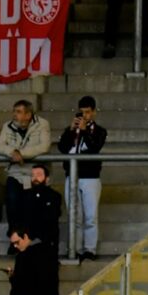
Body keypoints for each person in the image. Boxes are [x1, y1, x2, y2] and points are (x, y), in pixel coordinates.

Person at [56, 96, 106, 261]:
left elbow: (94, 147)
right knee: (74, 215)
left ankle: (89, 249)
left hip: (90, 176)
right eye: (81, 112)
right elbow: (62, 148)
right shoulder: (72, 130)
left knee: (91, 215)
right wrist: (71, 130)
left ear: (94, 112)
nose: (84, 115)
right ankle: (75, 248)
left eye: (87, 112)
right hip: (72, 175)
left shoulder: (100, 131)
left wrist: (84, 130)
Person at [0, 100, 51, 232]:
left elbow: (44, 146)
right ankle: (14, 235)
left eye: (18, 112)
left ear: (28, 114)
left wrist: (21, 154)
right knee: (12, 202)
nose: (14, 115)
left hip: (35, 173)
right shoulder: (7, 126)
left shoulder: (42, 124)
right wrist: (12, 152)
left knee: (32, 207)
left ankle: (30, 237)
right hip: (15, 172)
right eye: (14, 111)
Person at [5, 228, 59, 295]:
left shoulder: (34, 254)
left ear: (25, 237)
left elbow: (38, 282)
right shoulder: (26, 254)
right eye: (13, 244)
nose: (15, 246)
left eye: (17, 242)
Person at [17, 164, 64, 254]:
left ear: (47, 179)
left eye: (39, 175)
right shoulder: (24, 196)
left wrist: (33, 238)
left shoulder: (54, 196)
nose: (35, 178)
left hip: (46, 243)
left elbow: (50, 219)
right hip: (27, 243)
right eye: (33, 175)